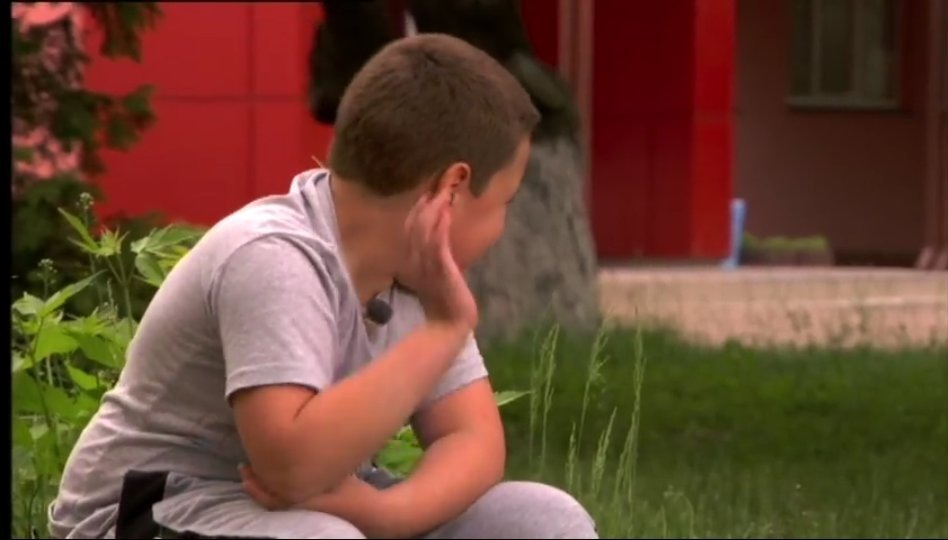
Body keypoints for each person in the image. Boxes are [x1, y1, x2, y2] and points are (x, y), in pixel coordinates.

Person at [48, 33, 598, 539]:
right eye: (504, 202)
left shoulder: (417, 276)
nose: (501, 227)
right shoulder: (274, 257)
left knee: (543, 519)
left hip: (311, 512)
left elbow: (472, 441)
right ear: (451, 188)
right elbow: (290, 467)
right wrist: (444, 330)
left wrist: (388, 514)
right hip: (152, 509)